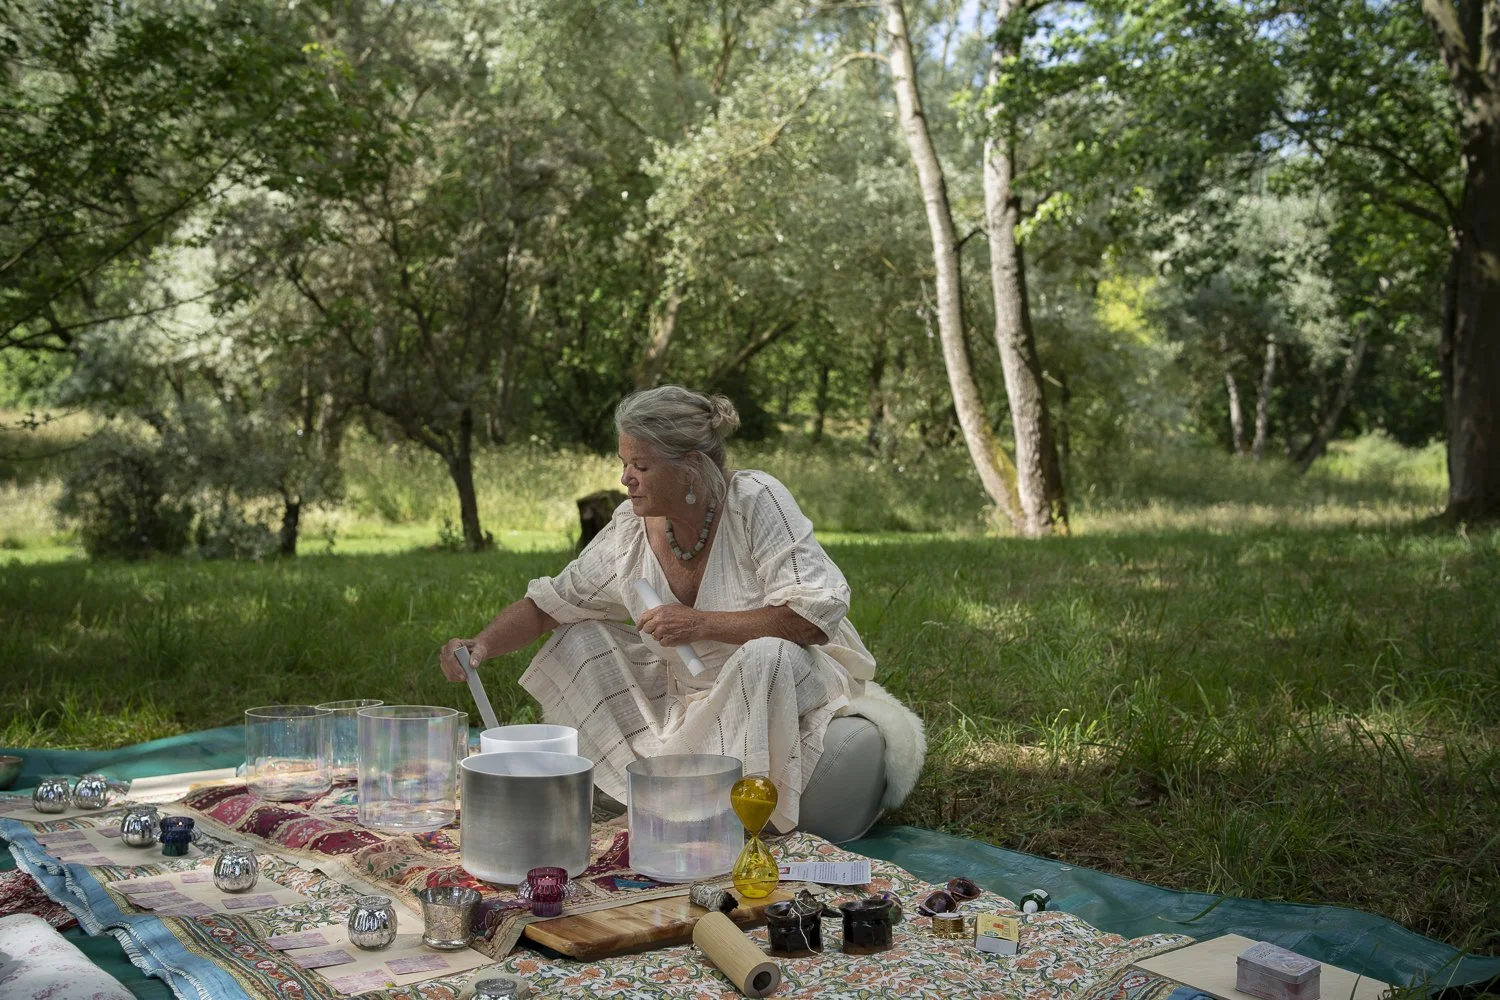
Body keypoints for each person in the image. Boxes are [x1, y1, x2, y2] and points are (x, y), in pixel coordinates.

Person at [439, 385, 876, 832]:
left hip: (789, 671)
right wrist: (481, 646)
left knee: (766, 655)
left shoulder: (755, 500)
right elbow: (548, 606)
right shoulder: (630, 530)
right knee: (580, 637)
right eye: (624, 463)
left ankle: (711, 816)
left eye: (641, 466)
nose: (626, 479)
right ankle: (653, 795)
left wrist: (698, 624)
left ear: (690, 468)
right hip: (685, 689)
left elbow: (813, 616)